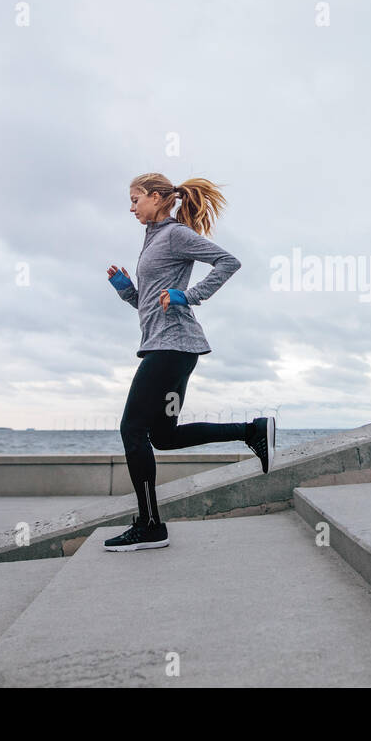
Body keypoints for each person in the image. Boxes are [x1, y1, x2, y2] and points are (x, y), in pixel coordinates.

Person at [102, 174, 275, 551]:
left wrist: (190, 295)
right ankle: (253, 431)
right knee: (163, 436)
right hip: (164, 347)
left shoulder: (175, 234)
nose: (131, 208)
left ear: (156, 197)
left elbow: (229, 262)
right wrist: (126, 291)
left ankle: (150, 525)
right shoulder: (151, 241)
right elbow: (150, 303)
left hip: (173, 348)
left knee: (132, 429)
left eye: (135, 200)